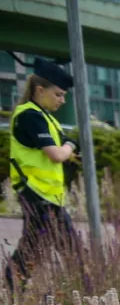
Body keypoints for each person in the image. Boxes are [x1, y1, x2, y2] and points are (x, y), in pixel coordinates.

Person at [5, 59, 80, 289]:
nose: (62, 100)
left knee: (70, 250)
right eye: (58, 94)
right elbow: (56, 154)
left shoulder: (45, 117)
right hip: (35, 195)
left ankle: (84, 294)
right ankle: (10, 293)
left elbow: (58, 154)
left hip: (49, 197)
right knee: (34, 249)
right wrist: (71, 146)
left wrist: (69, 151)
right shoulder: (30, 116)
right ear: (40, 90)